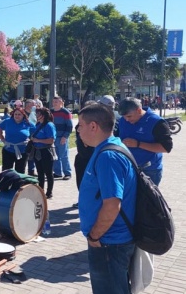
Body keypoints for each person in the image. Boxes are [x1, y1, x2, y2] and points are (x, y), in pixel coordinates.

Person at [77, 103, 137, 294]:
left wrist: (95, 235)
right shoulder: (110, 146)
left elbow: (112, 205)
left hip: (109, 243)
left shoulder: (108, 156)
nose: (78, 129)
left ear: (93, 126)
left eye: (80, 125)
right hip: (111, 241)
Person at [116, 97, 172, 186]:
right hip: (127, 167)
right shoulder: (123, 121)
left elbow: (166, 148)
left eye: (129, 116)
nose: (126, 120)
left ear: (138, 110)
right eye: (124, 117)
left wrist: (138, 144)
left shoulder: (157, 122)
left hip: (149, 171)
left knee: (147, 200)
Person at [29, 107, 57, 199]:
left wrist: (38, 140)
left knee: (48, 173)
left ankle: (49, 192)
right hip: (37, 151)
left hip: (46, 151)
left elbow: (51, 140)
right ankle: (40, 190)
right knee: (40, 172)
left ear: (43, 115)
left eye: (38, 114)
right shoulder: (38, 124)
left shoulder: (49, 125)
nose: (36, 116)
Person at [0, 108, 35, 173]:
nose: (17, 116)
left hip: (23, 151)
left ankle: (18, 183)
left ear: (23, 115)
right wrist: (2, 139)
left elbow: (34, 133)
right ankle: (7, 183)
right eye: (15, 114)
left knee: (20, 171)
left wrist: (30, 141)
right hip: (8, 150)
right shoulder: (8, 121)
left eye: (19, 114)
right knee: (6, 171)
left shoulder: (28, 123)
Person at [51, 95, 73, 180]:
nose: (54, 103)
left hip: (62, 137)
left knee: (64, 156)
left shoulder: (66, 112)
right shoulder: (51, 112)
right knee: (55, 156)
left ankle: (67, 173)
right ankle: (57, 172)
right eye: (53, 102)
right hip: (53, 137)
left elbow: (69, 126)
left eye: (56, 102)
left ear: (61, 102)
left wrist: (65, 136)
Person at [24, 99, 37, 175]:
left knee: (32, 153)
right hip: (25, 135)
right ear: (28, 104)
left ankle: (31, 170)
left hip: (33, 135)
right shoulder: (22, 113)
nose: (34, 106)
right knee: (25, 153)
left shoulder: (35, 113)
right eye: (33, 104)